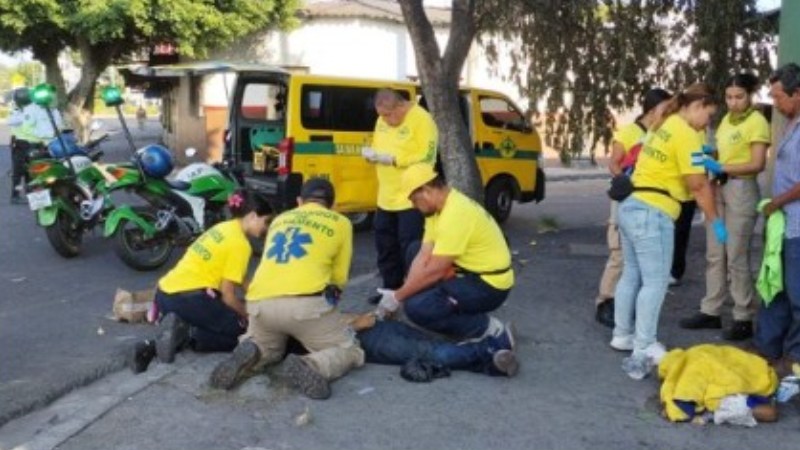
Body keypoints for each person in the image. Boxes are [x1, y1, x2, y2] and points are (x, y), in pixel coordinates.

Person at [209, 178, 363, 400]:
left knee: (269, 348)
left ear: (300, 201)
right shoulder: (340, 222)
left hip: (260, 304)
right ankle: (312, 365)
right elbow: (339, 278)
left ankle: (253, 353)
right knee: (350, 349)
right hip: (305, 305)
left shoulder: (280, 219)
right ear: (331, 204)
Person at [612, 83, 726, 380]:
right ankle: (644, 345)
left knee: (632, 274)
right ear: (698, 105)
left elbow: (671, 159)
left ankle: (622, 334)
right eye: (708, 116)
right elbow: (698, 185)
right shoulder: (686, 132)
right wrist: (715, 220)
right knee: (656, 281)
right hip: (653, 212)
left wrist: (703, 158)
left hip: (631, 205)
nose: (707, 123)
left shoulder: (665, 123)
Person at [127, 190, 272, 373]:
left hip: (165, 295)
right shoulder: (240, 245)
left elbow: (238, 275)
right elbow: (228, 297)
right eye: (265, 221)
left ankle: (151, 347)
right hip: (189, 300)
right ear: (252, 216)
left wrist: (257, 294)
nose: (266, 228)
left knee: (223, 315)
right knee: (246, 335)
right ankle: (188, 335)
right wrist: (249, 317)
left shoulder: (222, 228)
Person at [373, 164, 516, 350]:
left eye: (414, 200)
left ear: (426, 190)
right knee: (413, 250)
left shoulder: (456, 213)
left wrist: (398, 297)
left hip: (489, 285)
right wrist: (403, 290)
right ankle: (437, 303)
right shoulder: (436, 210)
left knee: (417, 309)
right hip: (468, 272)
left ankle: (489, 329)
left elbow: (436, 270)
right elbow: (423, 255)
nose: (412, 205)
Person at [680, 73, 770, 341]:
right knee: (715, 253)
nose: (733, 102)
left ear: (750, 95)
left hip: (741, 189)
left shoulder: (756, 122)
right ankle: (711, 309)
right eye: (729, 97)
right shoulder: (725, 122)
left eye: (739, 97)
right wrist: (710, 156)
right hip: (719, 187)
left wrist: (722, 167)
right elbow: (721, 151)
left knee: (736, 255)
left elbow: (757, 164)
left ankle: (743, 315)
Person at [595, 88, 673, 327]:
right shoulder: (630, 132)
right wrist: (627, 183)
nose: (670, 113)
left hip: (645, 203)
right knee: (618, 253)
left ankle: (625, 305)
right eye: (666, 108)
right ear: (652, 110)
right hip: (627, 199)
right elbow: (614, 164)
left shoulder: (658, 133)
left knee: (635, 259)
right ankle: (605, 300)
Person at [363, 88, 438, 303]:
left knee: (410, 245)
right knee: (385, 244)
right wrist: (373, 156)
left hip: (411, 197)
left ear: (400, 106)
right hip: (386, 195)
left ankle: (414, 289)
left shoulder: (422, 119)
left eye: (388, 115)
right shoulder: (382, 120)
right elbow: (379, 145)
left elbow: (427, 156)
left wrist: (395, 160)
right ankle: (390, 289)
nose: (384, 120)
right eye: (381, 116)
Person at [755, 63, 800, 375]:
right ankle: (769, 349)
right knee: (775, 287)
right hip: (784, 224)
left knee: (797, 295)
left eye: (779, 97)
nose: (775, 104)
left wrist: (776, 203)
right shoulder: (790, 124)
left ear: (797, 93)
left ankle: (795, 359)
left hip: (797, 225)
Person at [350, 312, 518, 380]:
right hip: (366, 341)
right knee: (434, 353)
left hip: (374, 327)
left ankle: (494, 365)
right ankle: (495, 346)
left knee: (436, 346)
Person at [5, 88, 63, 204]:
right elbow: (11, 121)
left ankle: (31, 194)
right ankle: (16, 195)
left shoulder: (32, 110)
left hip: (34, 145)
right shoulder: (19, 111)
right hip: (22, 144)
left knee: (32, 171)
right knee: (20, 172)